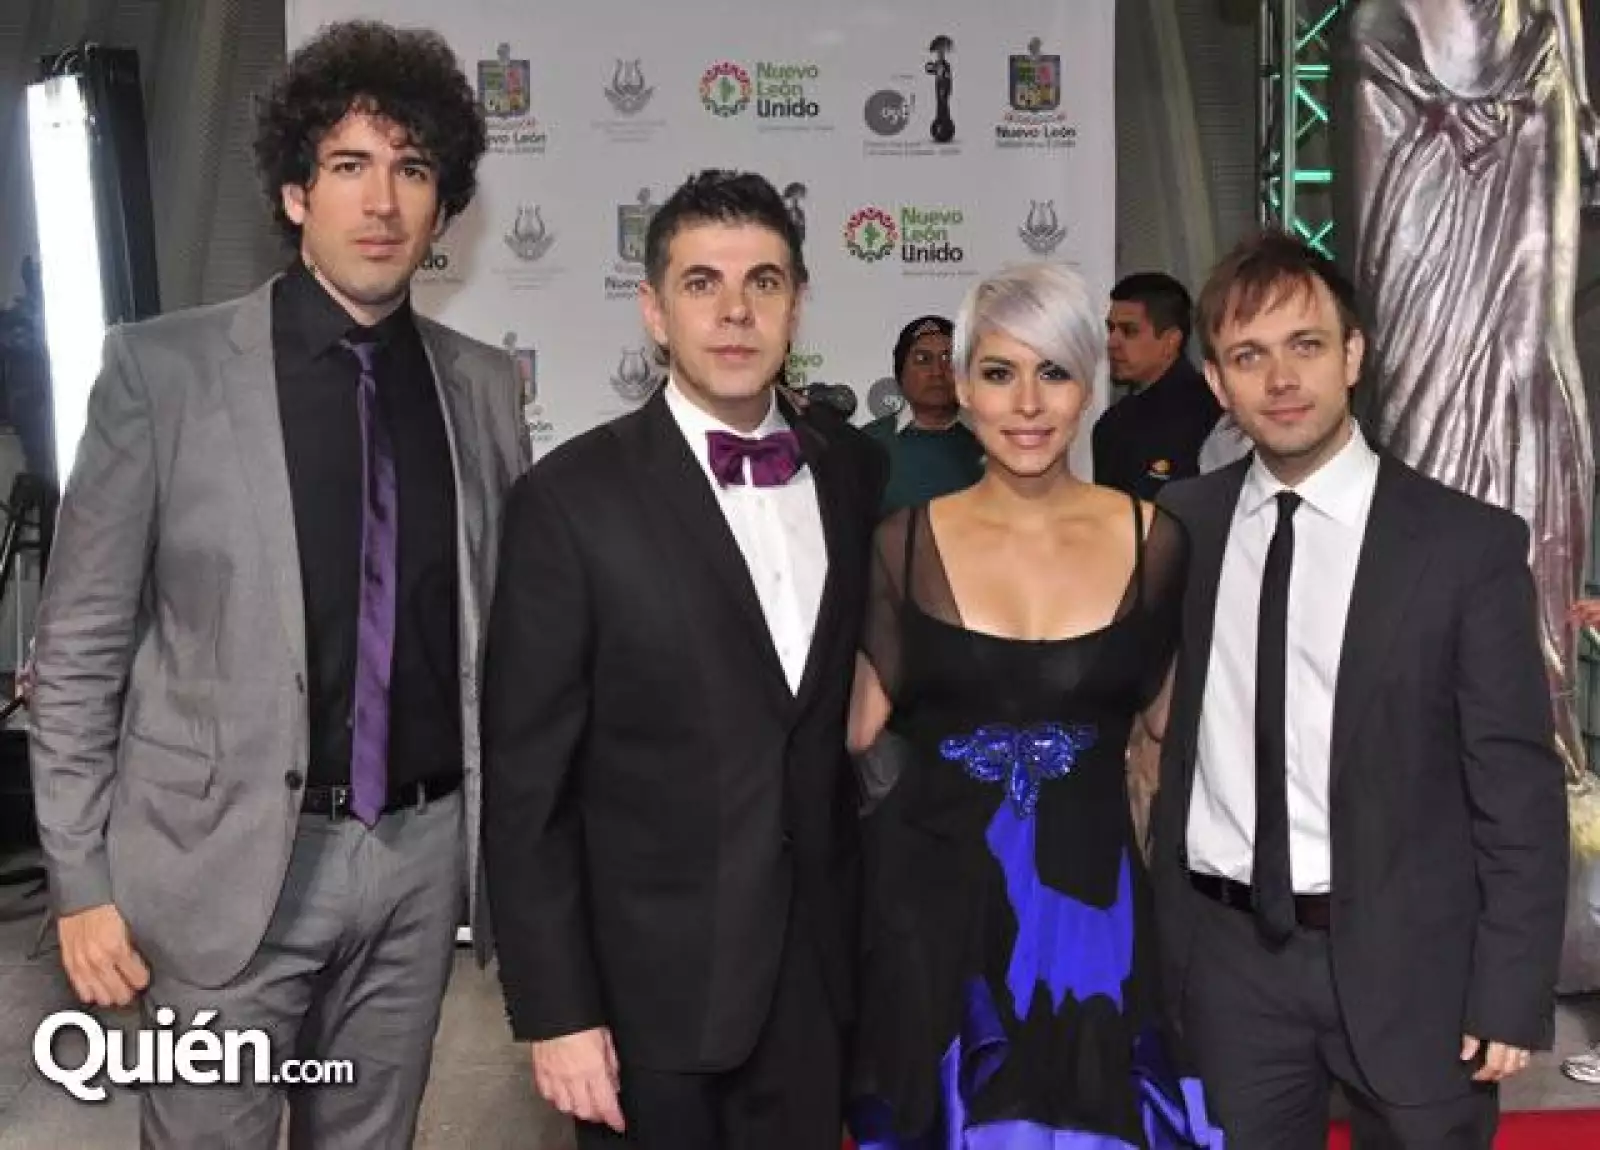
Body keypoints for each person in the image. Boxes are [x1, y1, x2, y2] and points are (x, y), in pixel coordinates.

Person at [27, 21, 529, 1146]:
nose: (382, 201)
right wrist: (80, 879)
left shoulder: (484, 391)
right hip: (214, 872)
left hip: (417, 869)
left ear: (443, 207)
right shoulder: (161, 373)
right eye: (350, 166)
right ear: (297, 191)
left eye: (412, 171)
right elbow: (79, 652)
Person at [482, 170, 886, 1150]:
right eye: (703, 283)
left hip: (817, 984)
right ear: (655, 313)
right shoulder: (568, 499)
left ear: (796, 306)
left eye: (764, 281)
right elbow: (526, 785)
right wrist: (556, 1009)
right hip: (642, 1002)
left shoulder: (855, 471)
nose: (735, 311)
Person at [1150, 230, 1568, 1147]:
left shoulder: (1464, 545)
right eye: (1248, 357)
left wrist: (1510, 987)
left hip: (1418, 967)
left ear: (1353, 356)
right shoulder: (1184, 529)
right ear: (1218, 384)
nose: (1281, 379)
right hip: (1228, 967)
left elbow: (1516, 786)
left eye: (1305, 346)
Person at [845, 262, 1221, 1147]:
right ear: (963, 387)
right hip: (931, 914)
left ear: (1089, 384)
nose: (1026, 403)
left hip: (1094, 918)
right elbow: (849, 725)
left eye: (1052, 372)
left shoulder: (1155, 538)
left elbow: (1175, 727)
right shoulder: (900, 546)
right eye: (998, 372)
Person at [1093, 273, 1222, 501]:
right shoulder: (1111, 424)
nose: (1112, 342)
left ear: (1171, 341)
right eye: (1110, 329)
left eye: (1129, 331)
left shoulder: (1215, 415)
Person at [863, 315, 985, 515]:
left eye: (949, 359)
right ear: (900, 373)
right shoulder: (868, 444)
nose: (937, 371)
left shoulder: (993, 442)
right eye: (923, 360)